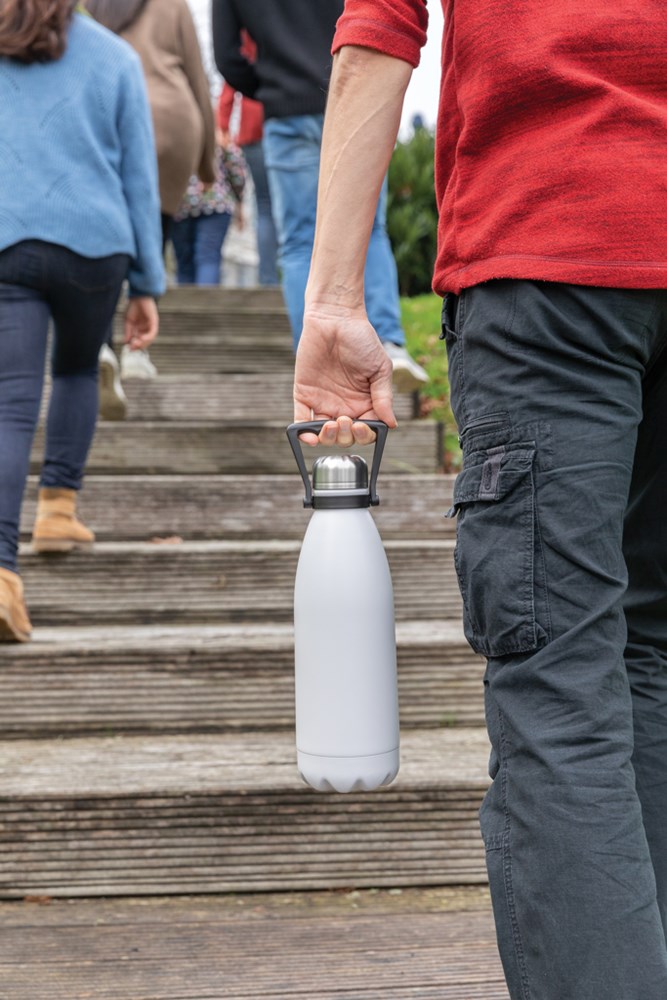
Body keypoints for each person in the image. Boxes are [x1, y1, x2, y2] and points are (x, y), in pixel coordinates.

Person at [290, 3, 667, 999]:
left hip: (553, 244)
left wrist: (331, 300)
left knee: (558, 680)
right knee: (650, 653)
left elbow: (379, 24)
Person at [0, 0, 163, 643]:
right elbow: (139, 179)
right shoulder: (116, 57)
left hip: (9, 244)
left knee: (10, 407)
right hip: (96, 249)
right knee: (75, 370)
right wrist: (148, 283)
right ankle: (58, 510)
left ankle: (3, 579)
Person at [211, 0, 428, 393]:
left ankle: (314, 355)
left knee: (296, 241)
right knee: (371, 230)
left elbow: (226, 55)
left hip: (285, 110)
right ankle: (391, 344)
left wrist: (270, 85)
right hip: (350, 96)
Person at [87, 0, 216, 385]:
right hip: (172, 124)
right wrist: (208, 161)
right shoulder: (174, 6)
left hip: (109, 117)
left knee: (107, 235)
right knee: (154, 232)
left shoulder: (94, 6)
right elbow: (198, 79)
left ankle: (101, 344)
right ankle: (137, 351)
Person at [217, 34, 279, 287]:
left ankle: (268, 280)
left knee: (264, 206)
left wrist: (223, 123)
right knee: (293, 207)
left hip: (253, 128)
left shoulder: (249, 30)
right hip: (288, 116)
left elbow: (232, 77)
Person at [172, 130, 246, 286]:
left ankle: (184, 307)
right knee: (208, 257)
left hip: (180, 204)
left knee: (184, 262)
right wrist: (239, 200)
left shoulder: (175, 134)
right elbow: (237, 174)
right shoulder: (218, 137)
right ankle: (207, 306)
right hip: (216, 204)